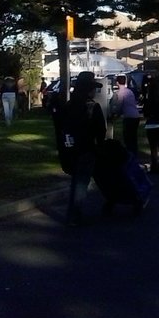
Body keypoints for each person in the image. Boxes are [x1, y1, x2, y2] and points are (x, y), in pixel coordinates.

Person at [58, 71, 106, 226]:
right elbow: (101, 130)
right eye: (93, 88)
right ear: (88, 89)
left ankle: (71, 212)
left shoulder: (69, 105)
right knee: (81, 183)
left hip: (70, 148)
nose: (95, 92)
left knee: (75, 180)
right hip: (87, 149)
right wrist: (100, 146)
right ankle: (75, 214)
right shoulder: (92, 106)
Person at [141, 73, 159, 174]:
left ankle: (154, 165)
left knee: (153, 146)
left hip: (151, 124)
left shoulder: (147, 96)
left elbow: (145, 112)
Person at [113, 73, 141, 157]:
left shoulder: (119, 93)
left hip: (129, 117)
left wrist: (115, 114)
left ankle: (130, 154)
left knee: (127, 137)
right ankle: (134, 154)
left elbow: (119, 105)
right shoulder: (129, 91)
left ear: (117, 82)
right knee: (133, 137)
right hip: (136, 116)